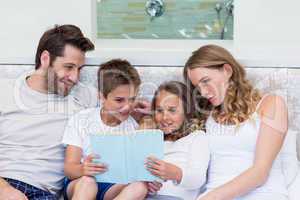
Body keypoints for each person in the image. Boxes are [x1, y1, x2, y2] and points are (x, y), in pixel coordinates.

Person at [0, 24, 95, 200]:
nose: (74, 78)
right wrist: (4, 189)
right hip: (4, 184)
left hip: (45, 194)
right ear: (45, 59)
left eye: (79, 69)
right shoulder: (5, 91)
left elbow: (117, 110)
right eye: (68, 67)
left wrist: (137, 112)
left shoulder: (84, 96)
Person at [184, 45, 289, 200]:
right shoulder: (208, 115)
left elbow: (260, 172)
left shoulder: (272, 104)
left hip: (264, 195)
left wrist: (210, 198)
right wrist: (148, 115)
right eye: (197, 87)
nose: (203, 92)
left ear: (227, 70)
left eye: (206, 81)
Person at [62, 59, 148, 200]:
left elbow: (136, 168)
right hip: (80, 181)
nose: (127, 107)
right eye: (119, 100)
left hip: (111, 186)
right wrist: (83, 169)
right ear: (101, 96)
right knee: (88, 183)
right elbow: (69, 169)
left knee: (139, 186)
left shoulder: (134, 127)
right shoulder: (82, 120)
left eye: (132, 99)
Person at [142, 81, 210, 200]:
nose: (164, 117)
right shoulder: (153, 139)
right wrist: (149, 184)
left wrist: (176, 173)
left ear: (187, 111)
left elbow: (198, 179)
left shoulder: (196, 137)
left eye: (172, 110)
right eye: (159, 110)